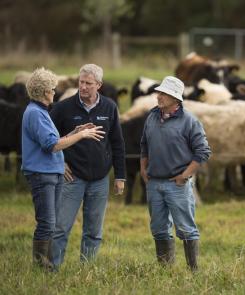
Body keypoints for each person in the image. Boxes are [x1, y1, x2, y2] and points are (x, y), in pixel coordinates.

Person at [22, 67, 105, 271]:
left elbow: (54, 139)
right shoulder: (36, 114)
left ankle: (46, 266)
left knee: (50, 223)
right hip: (43, 175)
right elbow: (52, 145)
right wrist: (82, 136)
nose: (54, 92)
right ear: (44, 92)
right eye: (52, 89)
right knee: (47, 223)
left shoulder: (41, 112)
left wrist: (74, 131)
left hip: (51, 173)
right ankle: (42, 268)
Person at [50, 64, 126, 268]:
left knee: (93, 231)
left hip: (100, 179)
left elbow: (117, 143)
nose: (83, 87)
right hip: (72, 178)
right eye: (81, 82)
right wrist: (60, 162)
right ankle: (51, 269)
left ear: (98, 85)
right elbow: (48, 140)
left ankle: (87, 269)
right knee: (60, 228)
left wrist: (120, 176)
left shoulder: (109, 107)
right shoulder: (63, 108)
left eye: (88, 83)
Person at [140, 76, 211, 271]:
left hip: (177, 184)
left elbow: (203, 152)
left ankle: (193, 271)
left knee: (186, 228)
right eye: (159, 92)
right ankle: (166, 271)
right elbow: (144, 145)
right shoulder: (151, 117)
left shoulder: (190, 121)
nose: (158, 96)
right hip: (154, 183)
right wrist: (143, 168)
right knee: (159, 229)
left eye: (163, 93)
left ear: (175, 98)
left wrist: (185, 175)